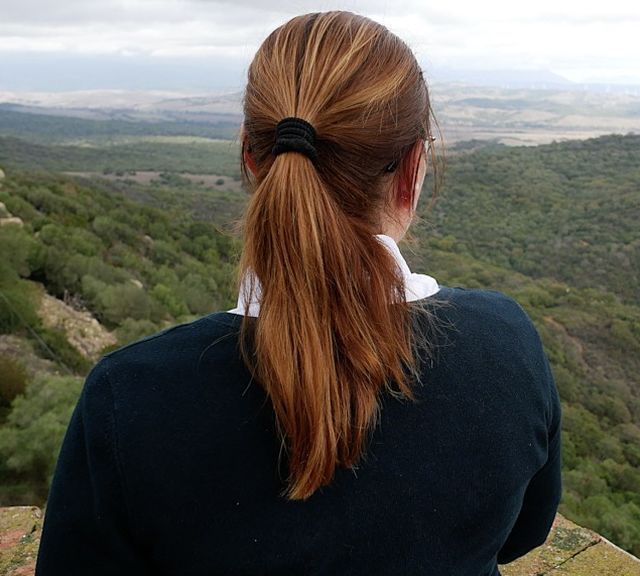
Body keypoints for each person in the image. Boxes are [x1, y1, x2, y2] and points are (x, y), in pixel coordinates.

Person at [36, 11, 561, 575]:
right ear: (413, 169)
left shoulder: (130, 398)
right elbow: (523, 532)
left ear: (250, 158)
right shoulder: (504, 344)